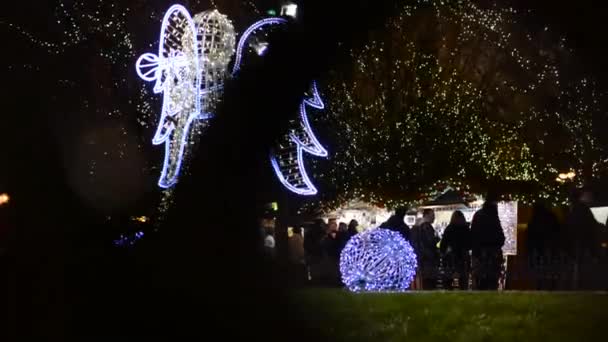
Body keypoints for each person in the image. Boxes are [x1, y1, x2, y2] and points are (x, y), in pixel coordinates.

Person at [470, 194, 505, 290]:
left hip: (480, 255)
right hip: (492, 255)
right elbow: (500, 237)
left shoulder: (478, 215)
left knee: (481, 282)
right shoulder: (493, 216)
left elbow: (473, 236)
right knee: (492, 282)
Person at [527, 202, 561, 290]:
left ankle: (540, 287)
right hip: (550, 249)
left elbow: (530, 237)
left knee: (540, 274)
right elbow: (558, 232)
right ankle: (552, 287)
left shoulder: (534, 219)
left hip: (538, 250)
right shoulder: (551, 217)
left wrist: (528, 252)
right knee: (550, 271)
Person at [440, 210, 471, 290]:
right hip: (463, 257)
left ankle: (448, 295)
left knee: (448, 280)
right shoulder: (465, 228)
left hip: (451, 258)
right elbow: (470, 244)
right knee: (463, 281)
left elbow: (443, 244)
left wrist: (443, 252)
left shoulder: (449, 228)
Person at [410, 209, 440, 289]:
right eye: (432, 215)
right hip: (428, 257)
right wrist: (437, 239)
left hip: (423, 257)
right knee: (430, 281)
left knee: (425, 280)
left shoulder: (418, 227)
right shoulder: (427, 226)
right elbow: (430, 242)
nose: (434, 217)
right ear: (427, 215)